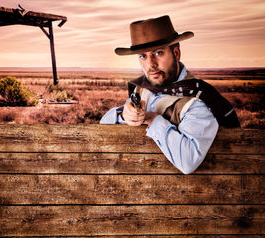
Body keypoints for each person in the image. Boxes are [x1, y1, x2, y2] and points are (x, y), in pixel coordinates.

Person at [100, 15, 240, 174]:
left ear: (176, 53)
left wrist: (151, 118)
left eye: (158, 53)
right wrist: (124, 115)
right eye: (143, 56)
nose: (150, 64)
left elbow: (188, 162)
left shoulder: (199, 100)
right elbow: (102, 128)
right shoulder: (143, 88)